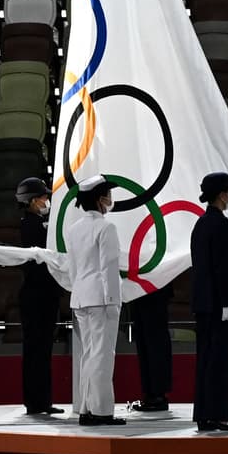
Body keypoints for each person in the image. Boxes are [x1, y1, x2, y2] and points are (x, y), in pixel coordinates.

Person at [65, 175, 126, 426]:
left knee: (89, 355)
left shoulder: (73, 229)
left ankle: (86, 408)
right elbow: (108, 267)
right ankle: (101, 411)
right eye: (108, 195)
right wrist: (113, 300)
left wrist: (78, 291)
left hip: (81, 296)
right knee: (102, 355)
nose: (111, 199)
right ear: (100, 199)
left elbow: (72, 268)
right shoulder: (106, 228)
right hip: (101, 298)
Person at [190, 172, 228, 433]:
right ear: (222, 195)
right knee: (219, 362)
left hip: (203, 303)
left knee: (205, 360)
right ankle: (217, 415)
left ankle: (204, 414)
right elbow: (222, 268)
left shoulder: (200, 224)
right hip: (218, 305)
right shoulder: (222, 224)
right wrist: (226, 302)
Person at [16, 177, 64, 416]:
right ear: (33, 201)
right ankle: (35, 401)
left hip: (45, 294)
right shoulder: (30, 225)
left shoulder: (41, 223)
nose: (47, 201)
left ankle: (42, 400)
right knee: (36, 349)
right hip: (37, 295)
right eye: (44, 197)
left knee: (43, 350)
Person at [127, 282, 173, 413]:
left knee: (155, 343)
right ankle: (150, 393)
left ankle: (158, 394)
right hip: (138, 291)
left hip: (155, 288)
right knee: (144, 343)